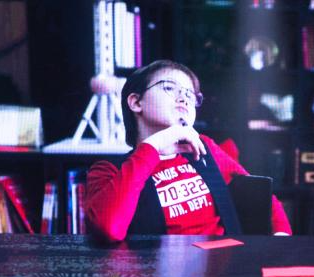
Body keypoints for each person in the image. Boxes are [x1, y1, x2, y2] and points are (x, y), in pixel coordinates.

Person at [85, 59, 291, 240]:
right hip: (157, 270)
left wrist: (281, 237)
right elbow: (109, 229)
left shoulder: (204, 149)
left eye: (190, 95)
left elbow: (260, 195)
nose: (183, 98)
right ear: (136, 102)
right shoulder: (108, 170)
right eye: (169, 88)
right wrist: (155, 145)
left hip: (226, 264)